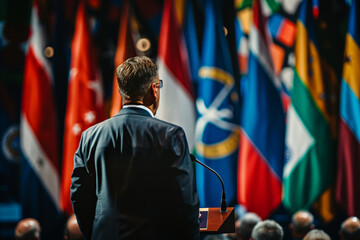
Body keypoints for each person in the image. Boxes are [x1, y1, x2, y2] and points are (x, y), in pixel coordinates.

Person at [70, 56, 200, 239]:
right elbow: (185, 203)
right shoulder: (170, 135)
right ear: (154, 90)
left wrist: (97, 234)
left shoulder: (90, 137)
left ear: (122, 91)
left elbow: (79, 197)